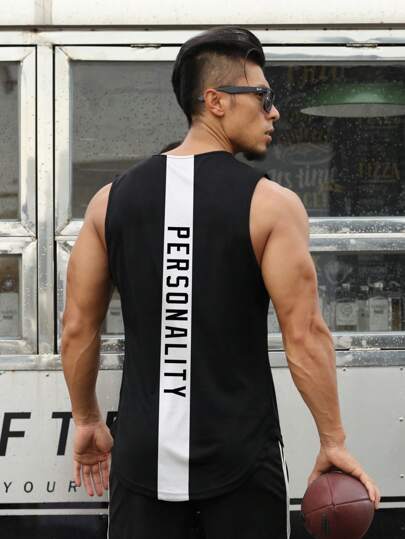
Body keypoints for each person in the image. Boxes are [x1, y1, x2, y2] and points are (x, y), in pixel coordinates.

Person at [61, 25, 380, 539]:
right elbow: (304, 335)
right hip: (242, 462)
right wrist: (333, 440)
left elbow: (77, 328)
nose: (274, 112)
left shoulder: (108, 202)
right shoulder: (271, 205)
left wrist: (86, 420)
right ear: (215, 101)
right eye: (263, 96)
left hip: (142, 461)